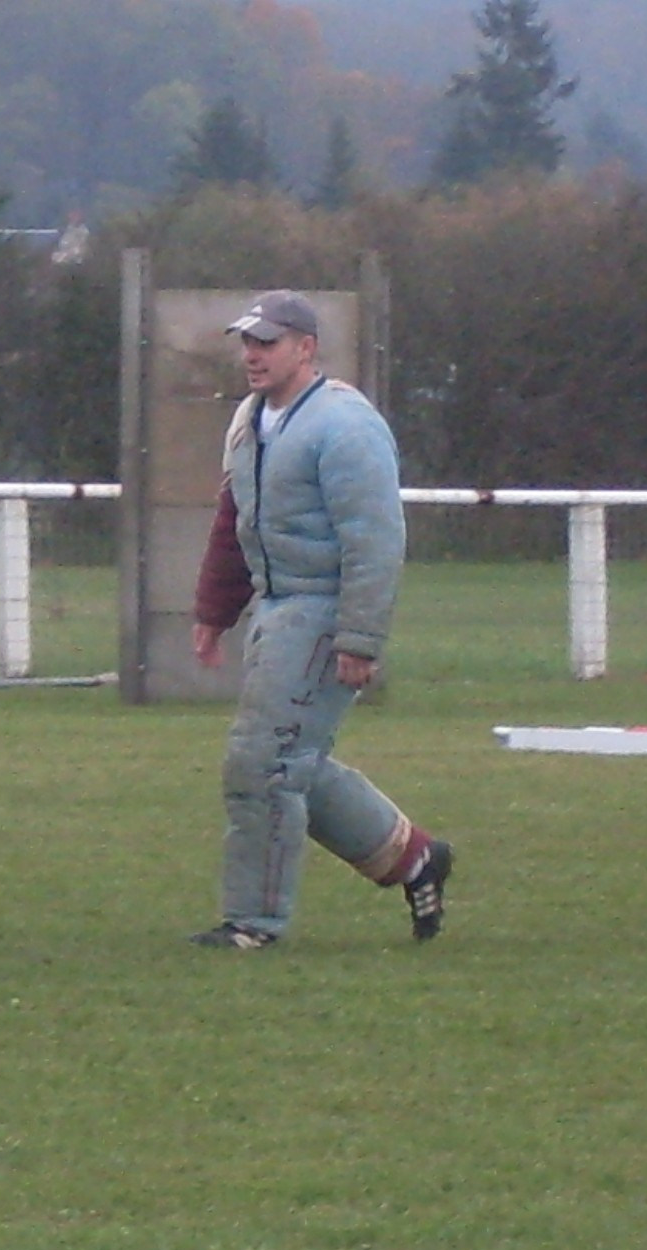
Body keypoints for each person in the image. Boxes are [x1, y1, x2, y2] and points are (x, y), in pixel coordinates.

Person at [188, 289, 452, 950]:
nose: (252, 354)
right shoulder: (250, 421)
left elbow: (375, 540)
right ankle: (413, 856)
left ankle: (254, 923)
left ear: (306, 349)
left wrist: (360, 638)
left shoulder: (345, 425)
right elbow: (234, 520)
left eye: (267, 342)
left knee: (262, 765)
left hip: (321, 610)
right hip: (276, 612)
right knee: (291, 761)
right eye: (247, 342)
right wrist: (213, 612)